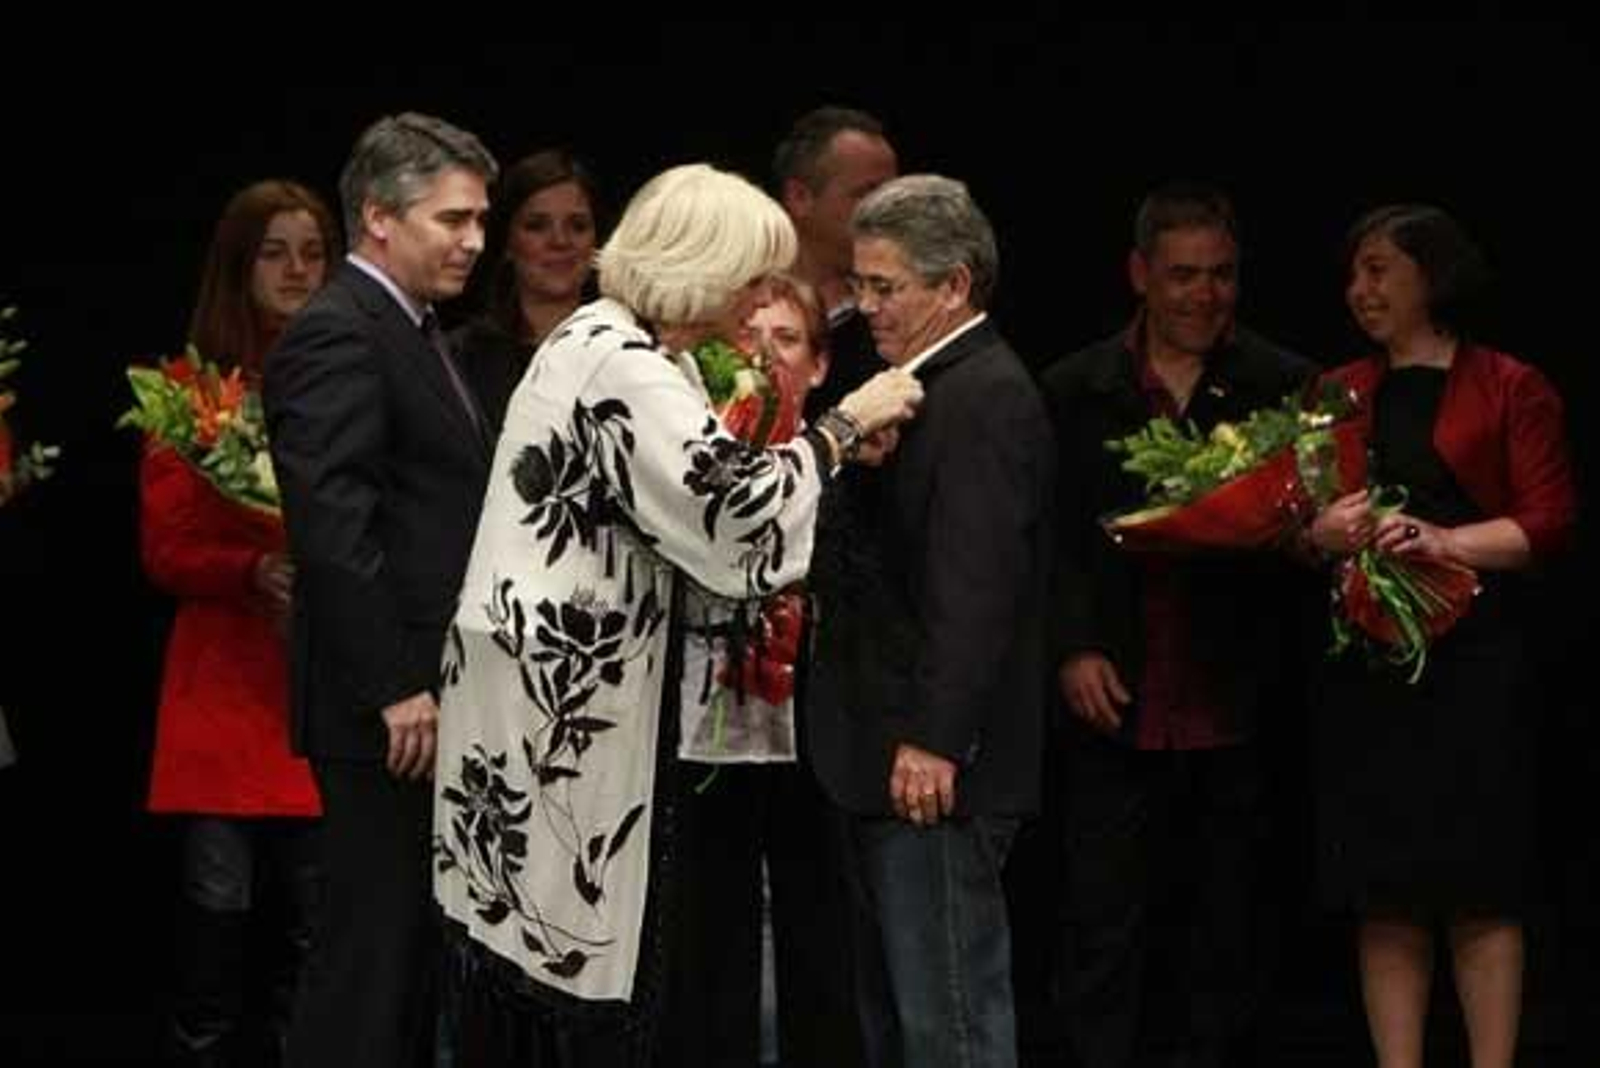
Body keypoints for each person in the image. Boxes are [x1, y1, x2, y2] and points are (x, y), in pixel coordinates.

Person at [428, 162, 919, 1068]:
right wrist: (845, 428)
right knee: (570, 985)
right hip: (562, 701)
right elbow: (733, 515)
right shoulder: (623, 363)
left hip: (539, 682)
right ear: (702, 265)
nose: (758, 297)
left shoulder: (613, 343)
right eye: (750, 275)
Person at [1039, 182, 1313, 1068]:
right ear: (1139, 276)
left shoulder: (1282, 385)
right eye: (1184, 275)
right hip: (1113, 696)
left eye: (1223, 276)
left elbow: (1304, 530)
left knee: (1230, 928)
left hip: (1236, 695)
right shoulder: (1077, 388)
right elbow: (1047, 537)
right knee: (1102, 928)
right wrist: (1072, 644)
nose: (1205, 295)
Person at [1302, 204, 1576, 1068]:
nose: (1360, 289)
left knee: (1480, 891)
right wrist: (1322, 535)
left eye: (1380, 269)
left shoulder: (1509, 385)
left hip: (1475, 666)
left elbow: (1547, 526)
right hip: (1374, 670)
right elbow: (1299, 526)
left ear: (1432, 276)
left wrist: (1445, 542)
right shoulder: (1334, 391)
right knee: (1384, 894)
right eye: (1353, 273)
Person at [262, 112, 498, 1068]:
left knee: (404, 961)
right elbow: (333, 530)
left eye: (481, 219)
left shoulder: (411, 327)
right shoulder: (341, 331)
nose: (475, 240)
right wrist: (395, 686)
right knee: (369, 958)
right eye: (453, 219)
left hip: (422, 701)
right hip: (387, 711)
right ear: (379, 217)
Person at [805, 174, 1054, 1068]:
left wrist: (937, 739)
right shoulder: (917, 384)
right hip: (892, 754)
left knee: (947, 1023)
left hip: (938, 772)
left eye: (885, 288)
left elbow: (976, 587)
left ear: (954, 286)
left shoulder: (982, 392)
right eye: (861, 283)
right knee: (905, 1024)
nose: (863, 305)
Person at [141, 178, 337, 1068]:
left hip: (323, 687)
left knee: (314, 928)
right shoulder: (194, 392)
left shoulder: (351, 379)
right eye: (275, 252)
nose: (297, 270)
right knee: (215, 921)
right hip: (224, 689)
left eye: (312, 253)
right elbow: (165, 548)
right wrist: (253, 568)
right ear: (238, 265)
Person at [655, 272, 864, 1068]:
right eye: (748, 340)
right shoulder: (690, 472)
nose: (765, 356)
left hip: (818, 730)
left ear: (817, 365)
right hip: (699, 732)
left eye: (786, 340)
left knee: (820, 934)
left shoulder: (852, 468)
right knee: (706, 939)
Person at [454, 148, 603, 432]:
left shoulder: (631, 345)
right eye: (537, 226)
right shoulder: (461, 358)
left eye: (578, 226)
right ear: (508, 243)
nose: (560, 241)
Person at [772, 105, 899, 421]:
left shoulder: (899, 317)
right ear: (800, 197)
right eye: (868, 194)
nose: (889, 212)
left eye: (893, 197)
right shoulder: (738, 309)